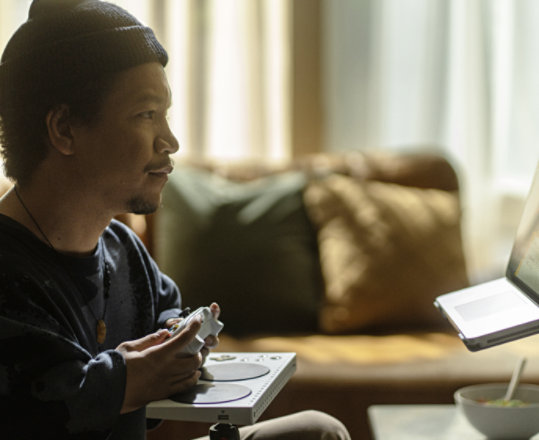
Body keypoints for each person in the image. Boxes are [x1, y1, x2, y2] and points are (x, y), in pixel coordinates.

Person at [0, 1, 351, 439]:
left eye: (165, 114)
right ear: (64, 129)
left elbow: (165, 308)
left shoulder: (122, 250)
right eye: (146, 114)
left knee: (318, 432)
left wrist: (182, 334)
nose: (170, 141)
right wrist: (126, 379)